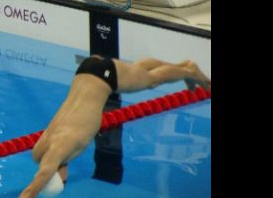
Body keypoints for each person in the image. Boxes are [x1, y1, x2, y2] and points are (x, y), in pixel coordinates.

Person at [19, 55, 211, 198]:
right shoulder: (40, 151)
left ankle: (189, 71)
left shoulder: (58, 151)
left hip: (105, 78)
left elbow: (36, 183)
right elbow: (46, 169)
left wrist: (31, 193)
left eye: (64, 180)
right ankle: (180, 68)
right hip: (87, 70)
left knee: (152, 81)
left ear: (58, 174)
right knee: (139, 72)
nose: (65, 177)